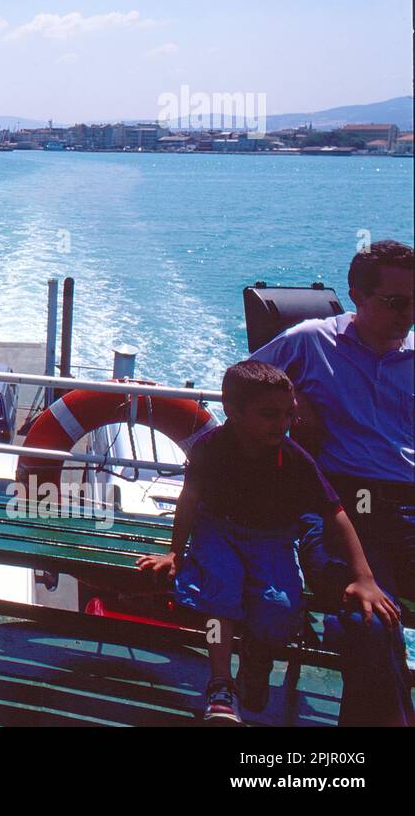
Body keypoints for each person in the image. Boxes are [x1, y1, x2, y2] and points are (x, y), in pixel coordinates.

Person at [136, 360, 397, 724]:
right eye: (270, 414)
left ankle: (257, 662)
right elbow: (190, 500)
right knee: (220, 593)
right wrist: (175, 553)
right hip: (218, 530)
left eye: (289, 414)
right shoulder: (210, 449)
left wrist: (364, 578)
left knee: (278, 607)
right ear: (233, 411)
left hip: (271, 538)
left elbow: (336, 513)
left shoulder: (292, 459)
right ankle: (220, 682)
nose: (283, 424)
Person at [249, 238, 414, 726]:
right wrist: (293, 400)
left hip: (408, 508)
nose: (408, 314)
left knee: (371, 622)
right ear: (357, 295)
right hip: (339, 505)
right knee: (369, 619)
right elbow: (241, 383)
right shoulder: (311, 341)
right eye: (396, 302)